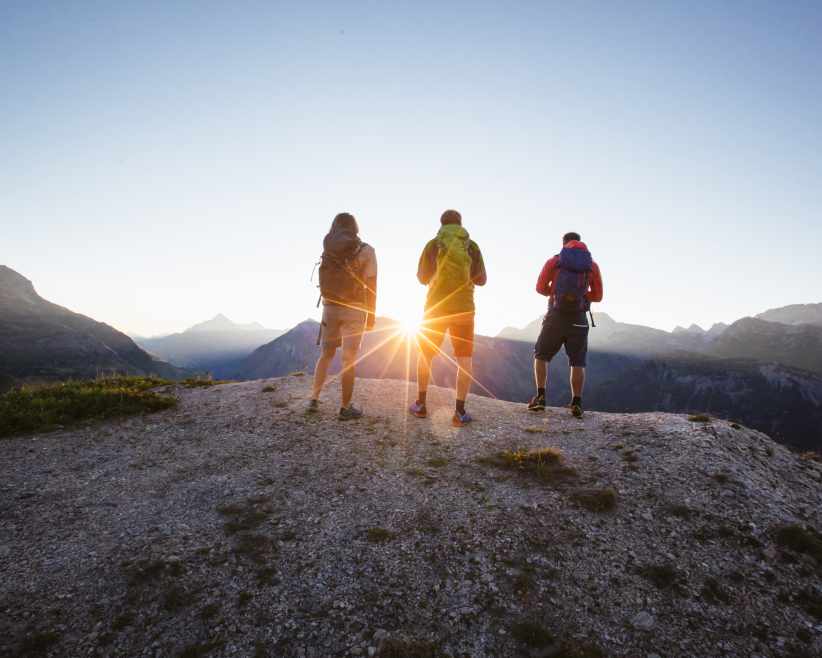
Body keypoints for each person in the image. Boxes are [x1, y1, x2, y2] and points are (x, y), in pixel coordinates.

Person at [409, 209, 487, 427]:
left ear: (441, 224)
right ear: (461, 224)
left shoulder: (433, 244)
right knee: (464, 359)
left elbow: (422, 277)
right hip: (464, 309)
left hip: (435, 308)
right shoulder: (471, 246)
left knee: (425, 355)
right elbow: (481, 280)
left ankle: (421, 405)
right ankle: (460, 411)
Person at [308, 213, 377, 419]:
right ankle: (345, 408)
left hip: (330, 306)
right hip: (354, 308)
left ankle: (313, 399)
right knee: (349, 359)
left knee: (326, 354)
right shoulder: (366, 250)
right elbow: (371, 283)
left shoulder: (328, 247)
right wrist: (371, 315)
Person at [529, 232, 603, 418]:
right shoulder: (591, 265)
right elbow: (598, 296)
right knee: (577, 361)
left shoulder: (555, 261)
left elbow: (539, 287)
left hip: (555, 315)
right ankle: (576, 403)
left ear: (564, 244)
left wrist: (555, 294)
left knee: (541, 355)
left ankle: (540, 397)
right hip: (578, 318)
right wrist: (580, 297)